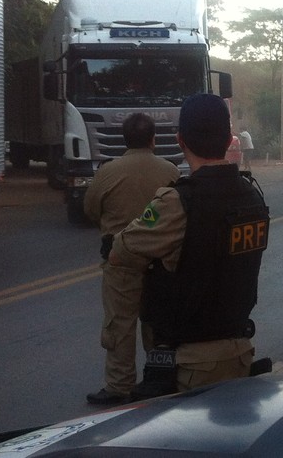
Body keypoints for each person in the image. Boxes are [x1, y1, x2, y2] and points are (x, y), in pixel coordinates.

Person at [109, 94, 270, 396]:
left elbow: (121, 252)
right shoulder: (252, 196)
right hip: (239, 354)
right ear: (229, 140)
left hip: (191, 366)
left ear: (181, 140)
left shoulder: (177, 202)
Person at [83, 112, 181, 406]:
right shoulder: (170, 170)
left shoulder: (108, 171)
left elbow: (90, 210)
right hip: (160, 262)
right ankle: (157, 379)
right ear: (153, 139)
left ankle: (119, 386)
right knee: (156, 322)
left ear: (125, 139)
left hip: (120, 260)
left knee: (120, 324)